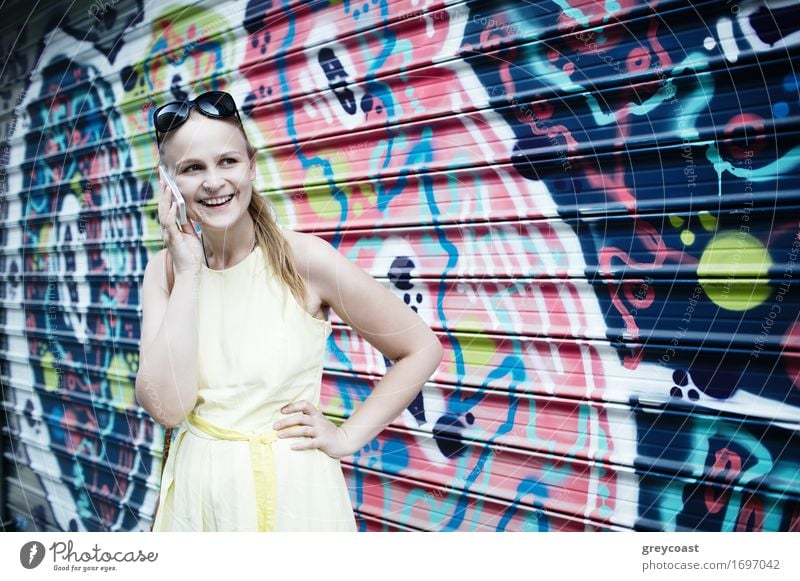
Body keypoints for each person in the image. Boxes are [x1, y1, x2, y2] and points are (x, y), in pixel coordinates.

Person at [135, 90, 443, 531]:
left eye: (228, 162)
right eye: (191, 169)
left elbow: (420, 348)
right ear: (169, 183)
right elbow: (167, 407)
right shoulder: (164, 272)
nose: (213, 181)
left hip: (294, 500)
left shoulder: (304, 259)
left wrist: (346, 436)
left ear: (252, 166)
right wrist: (188, 274)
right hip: (198, 500)